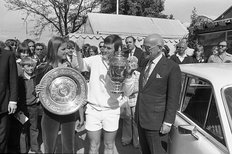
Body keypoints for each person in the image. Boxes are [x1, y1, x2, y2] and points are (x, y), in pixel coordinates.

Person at [76, 34, 136, 154]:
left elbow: (128, 92)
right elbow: (78, 65)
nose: (104, 50)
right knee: (93, 145)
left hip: (112, 110)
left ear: (117, 49)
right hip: (93, 109)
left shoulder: (124, 62)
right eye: (104, 47)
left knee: (109, 145)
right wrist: (78, 49)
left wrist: (129, 75)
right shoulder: (95, 59)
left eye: (109, 48)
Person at [35, 36, 84, 153]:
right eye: (63, 49)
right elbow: (37, 91)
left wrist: (79, 50)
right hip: (49, 114)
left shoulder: (69, 67)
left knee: (69, 147)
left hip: (69, 112)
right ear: (54, 50)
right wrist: (37, 90)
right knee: (49, 147)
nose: (66, 51)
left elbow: (79, 81)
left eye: (67, 49)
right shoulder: (43, 68)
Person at [135, 33, 181, 154]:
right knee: (145, 151)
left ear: (160, 48)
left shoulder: (171, 67)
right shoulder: (145, 63)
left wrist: (168, 122)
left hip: (157, 122)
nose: (144, 50)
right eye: (143, 46)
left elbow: (173, 98)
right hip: (141, 118)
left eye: (148, 47)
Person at [18, 57, 41, 153]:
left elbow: (39, 91)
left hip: (33, 107)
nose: (31, 68)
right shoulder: (19, 79)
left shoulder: (36, 78)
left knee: (34, 128)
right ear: (22, 67)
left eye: (32, 66)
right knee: (23, 129)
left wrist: (38, 94)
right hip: (22, 108)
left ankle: (35, 148)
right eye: (28, 66)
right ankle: (23, 149)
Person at [0, 47, 18, 153]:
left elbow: (13, 79)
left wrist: (13, 100)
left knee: (2, 137)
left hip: (3, 103)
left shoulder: (8, 55)